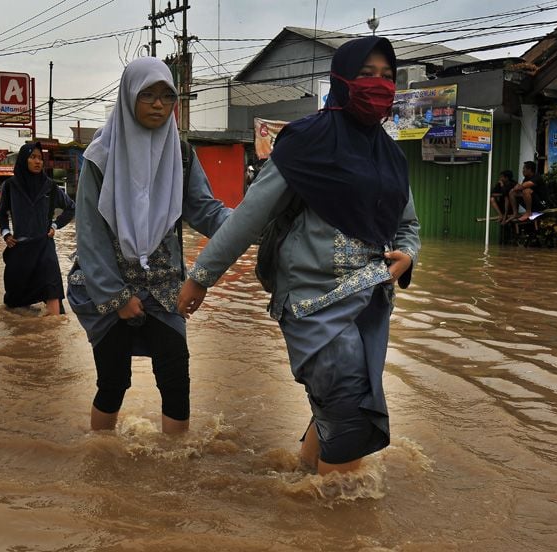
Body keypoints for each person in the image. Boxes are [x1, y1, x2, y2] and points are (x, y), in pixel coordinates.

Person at [178, 37, 421, 475]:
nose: (379, 85)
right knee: (349, 416)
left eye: (387, 77)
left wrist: (407, 255)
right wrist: (200, 277)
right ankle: (338, 529)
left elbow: (408, 226)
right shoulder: (305, 141)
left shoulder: (391, 158)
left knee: (341, 404)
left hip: (369, 305)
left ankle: (301, 492)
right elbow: (249, 217)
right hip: (312, 301)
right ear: (343, 78)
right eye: (367, 74)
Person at [66, 57, 231, 435]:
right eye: (148, 95)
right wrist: (117, 297)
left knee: (176, 382)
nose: (159, 104)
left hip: (163, 288)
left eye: (167, 96)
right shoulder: (100, 158)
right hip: (108, 291)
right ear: (128, 98)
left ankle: (175, 475)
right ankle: (102, 460)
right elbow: (89, 235)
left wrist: (255, 225)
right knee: (113, 383)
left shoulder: (182, 155)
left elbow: (205, 211)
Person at [0, 142, 75, 313]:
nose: (38, 161)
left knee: (52, 290)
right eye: (33, 157)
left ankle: (52, 335)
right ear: (24, 159)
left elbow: (71, 208)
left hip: (44, 246)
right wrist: (6, 233)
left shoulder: (51, 187)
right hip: (20, 248)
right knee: (15, 306)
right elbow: (1, 213)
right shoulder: (10, 186)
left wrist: (55, 225)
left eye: (40, 158)